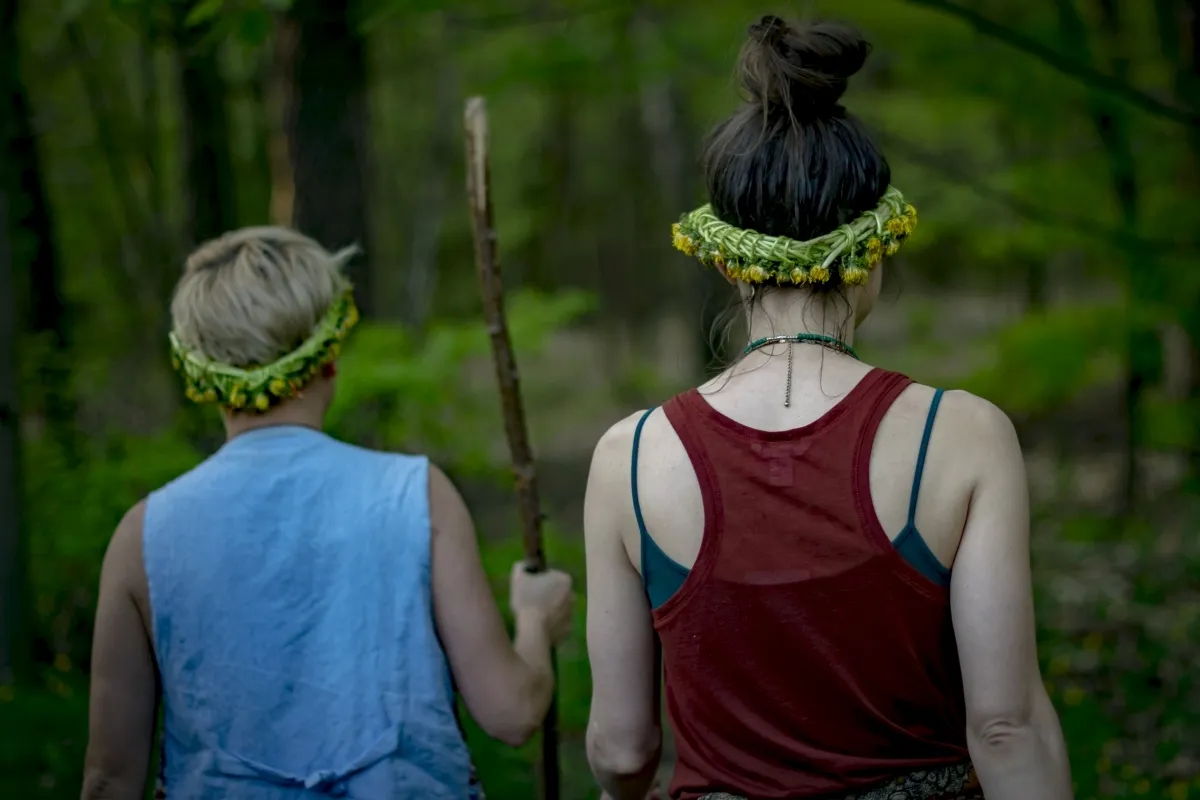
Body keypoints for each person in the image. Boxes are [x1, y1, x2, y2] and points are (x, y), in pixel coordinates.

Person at [582, 16, 1072, 800]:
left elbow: (620, 746)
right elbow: (1005, 726)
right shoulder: (966, 436)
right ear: (873, 250)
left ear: (725, 261)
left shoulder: (629, 457)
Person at [81, 227, 574, 799]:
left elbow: (109, 778)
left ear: (198, 377)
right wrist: (536, 621)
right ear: (329, 357)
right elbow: (511, 712)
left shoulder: (143, 535)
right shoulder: (414, 494)